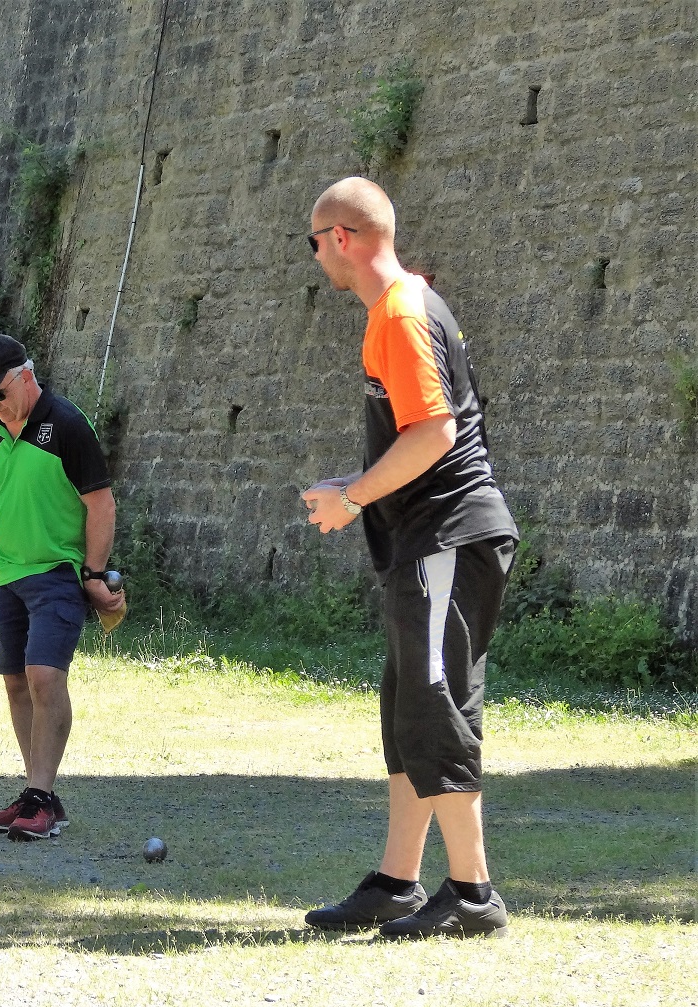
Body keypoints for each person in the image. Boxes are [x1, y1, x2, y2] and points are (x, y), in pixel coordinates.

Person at [300, 177, 519, 939]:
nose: (316, 257)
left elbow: (435, 436)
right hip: (429, 542)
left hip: (448, 539)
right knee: (407, 709)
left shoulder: (398, 309)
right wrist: (354, 484)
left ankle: (472, 890)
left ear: (343, 239)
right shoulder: (406, 305)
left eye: (314, 241)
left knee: (436, 705)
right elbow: (418, 433)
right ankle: (397, 879)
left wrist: (354, 498)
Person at [0, 334, 124, 841]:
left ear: (25, 377)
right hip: (5, 577)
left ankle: (40, 798)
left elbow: (101, 505)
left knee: (44, 677)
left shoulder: (68, 425)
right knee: (14, 683)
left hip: (56, 571)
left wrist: (93, 576)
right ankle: (38, 796)